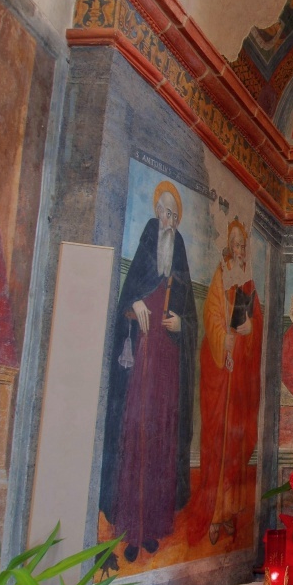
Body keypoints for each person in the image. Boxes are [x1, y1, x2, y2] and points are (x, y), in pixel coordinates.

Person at [100, 181, 197, 563]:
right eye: (165, 212)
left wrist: (181, 325)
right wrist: (137, 303)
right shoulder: (146, 242)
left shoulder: (181, 249)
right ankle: (131, 526)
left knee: (162, 436)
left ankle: (154, 526)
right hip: (142, 358)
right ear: (157, 212)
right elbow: (127, 296)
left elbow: (190, 313)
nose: (168, 220)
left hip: (168, 361)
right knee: (137, 433)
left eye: (174, 215)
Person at [188, 219, 263, 546]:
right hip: (221, 373)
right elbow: (211, 318)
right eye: (235, 243)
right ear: (227, 248)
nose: (239, 249)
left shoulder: (249, 284)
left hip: (241, 380)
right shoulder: (221, 276)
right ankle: (214, 513)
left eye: (242, 245)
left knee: (237, 442)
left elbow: (256, 324)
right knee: (218, 440)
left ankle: (230, 510)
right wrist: (225, 340)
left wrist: (249, 332)